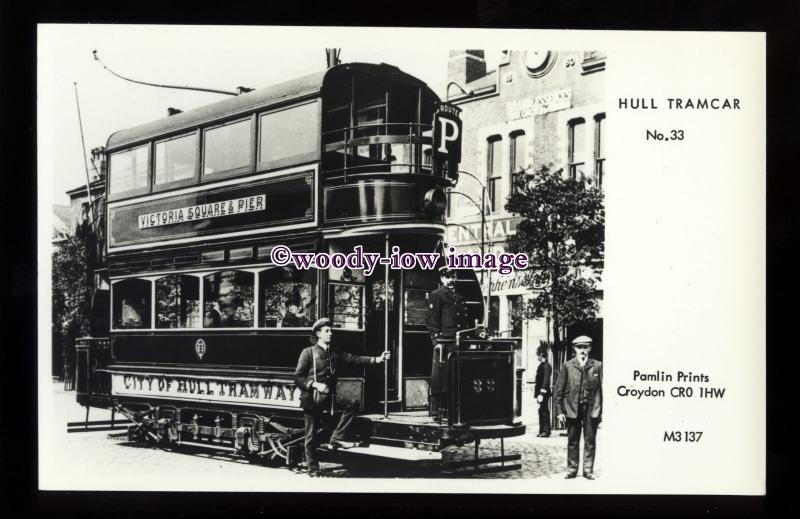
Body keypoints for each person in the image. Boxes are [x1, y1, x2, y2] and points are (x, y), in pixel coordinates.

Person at [293, 317, 390, 477]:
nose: (331, 333)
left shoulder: (334, 353)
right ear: (318, 334)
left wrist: (377, 359)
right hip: (312, 399)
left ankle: (337, 438)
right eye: (327, 331)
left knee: (352, 403)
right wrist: (315, 385)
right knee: (311, 435)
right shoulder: (308, 353)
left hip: (329, 399)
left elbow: (355, 359)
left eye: (331, 330)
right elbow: (298, 377)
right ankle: (313, 469)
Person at [554, 335, 603, 480]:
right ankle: (572, 469)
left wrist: (602, 410)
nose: (582, 350)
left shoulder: (597, 366)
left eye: (585, 347)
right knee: (572, 441)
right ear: (574, 349)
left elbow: (603, 389)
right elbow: (559, 390)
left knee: (590, 440)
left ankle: (588, 470)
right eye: (579, 347)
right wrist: (559, 411)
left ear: (590, 348)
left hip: (591, 408)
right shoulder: (567, 366)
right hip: (572, 409)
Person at [425, 265, 467, 416]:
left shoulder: (459, 296)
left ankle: (453, 410)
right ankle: (437, 411)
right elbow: (432, 320)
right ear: (442, 278)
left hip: (457, 341)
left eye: (453, 276)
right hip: (444, 341)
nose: (451, 280)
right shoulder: (437, 295)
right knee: (439, 378)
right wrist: (436, 341)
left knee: (455, 377)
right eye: (448, 277)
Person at [534, 345, 553, 437]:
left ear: (542, 355)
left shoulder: (546, 366)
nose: (537, 357)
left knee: (544, 411)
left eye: (538, 355)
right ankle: (542, 430)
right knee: (541, 410)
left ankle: (546, 431)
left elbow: (546, 381)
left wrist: (541, 393)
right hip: (541, 393)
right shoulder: (542, 365)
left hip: (543, 393)